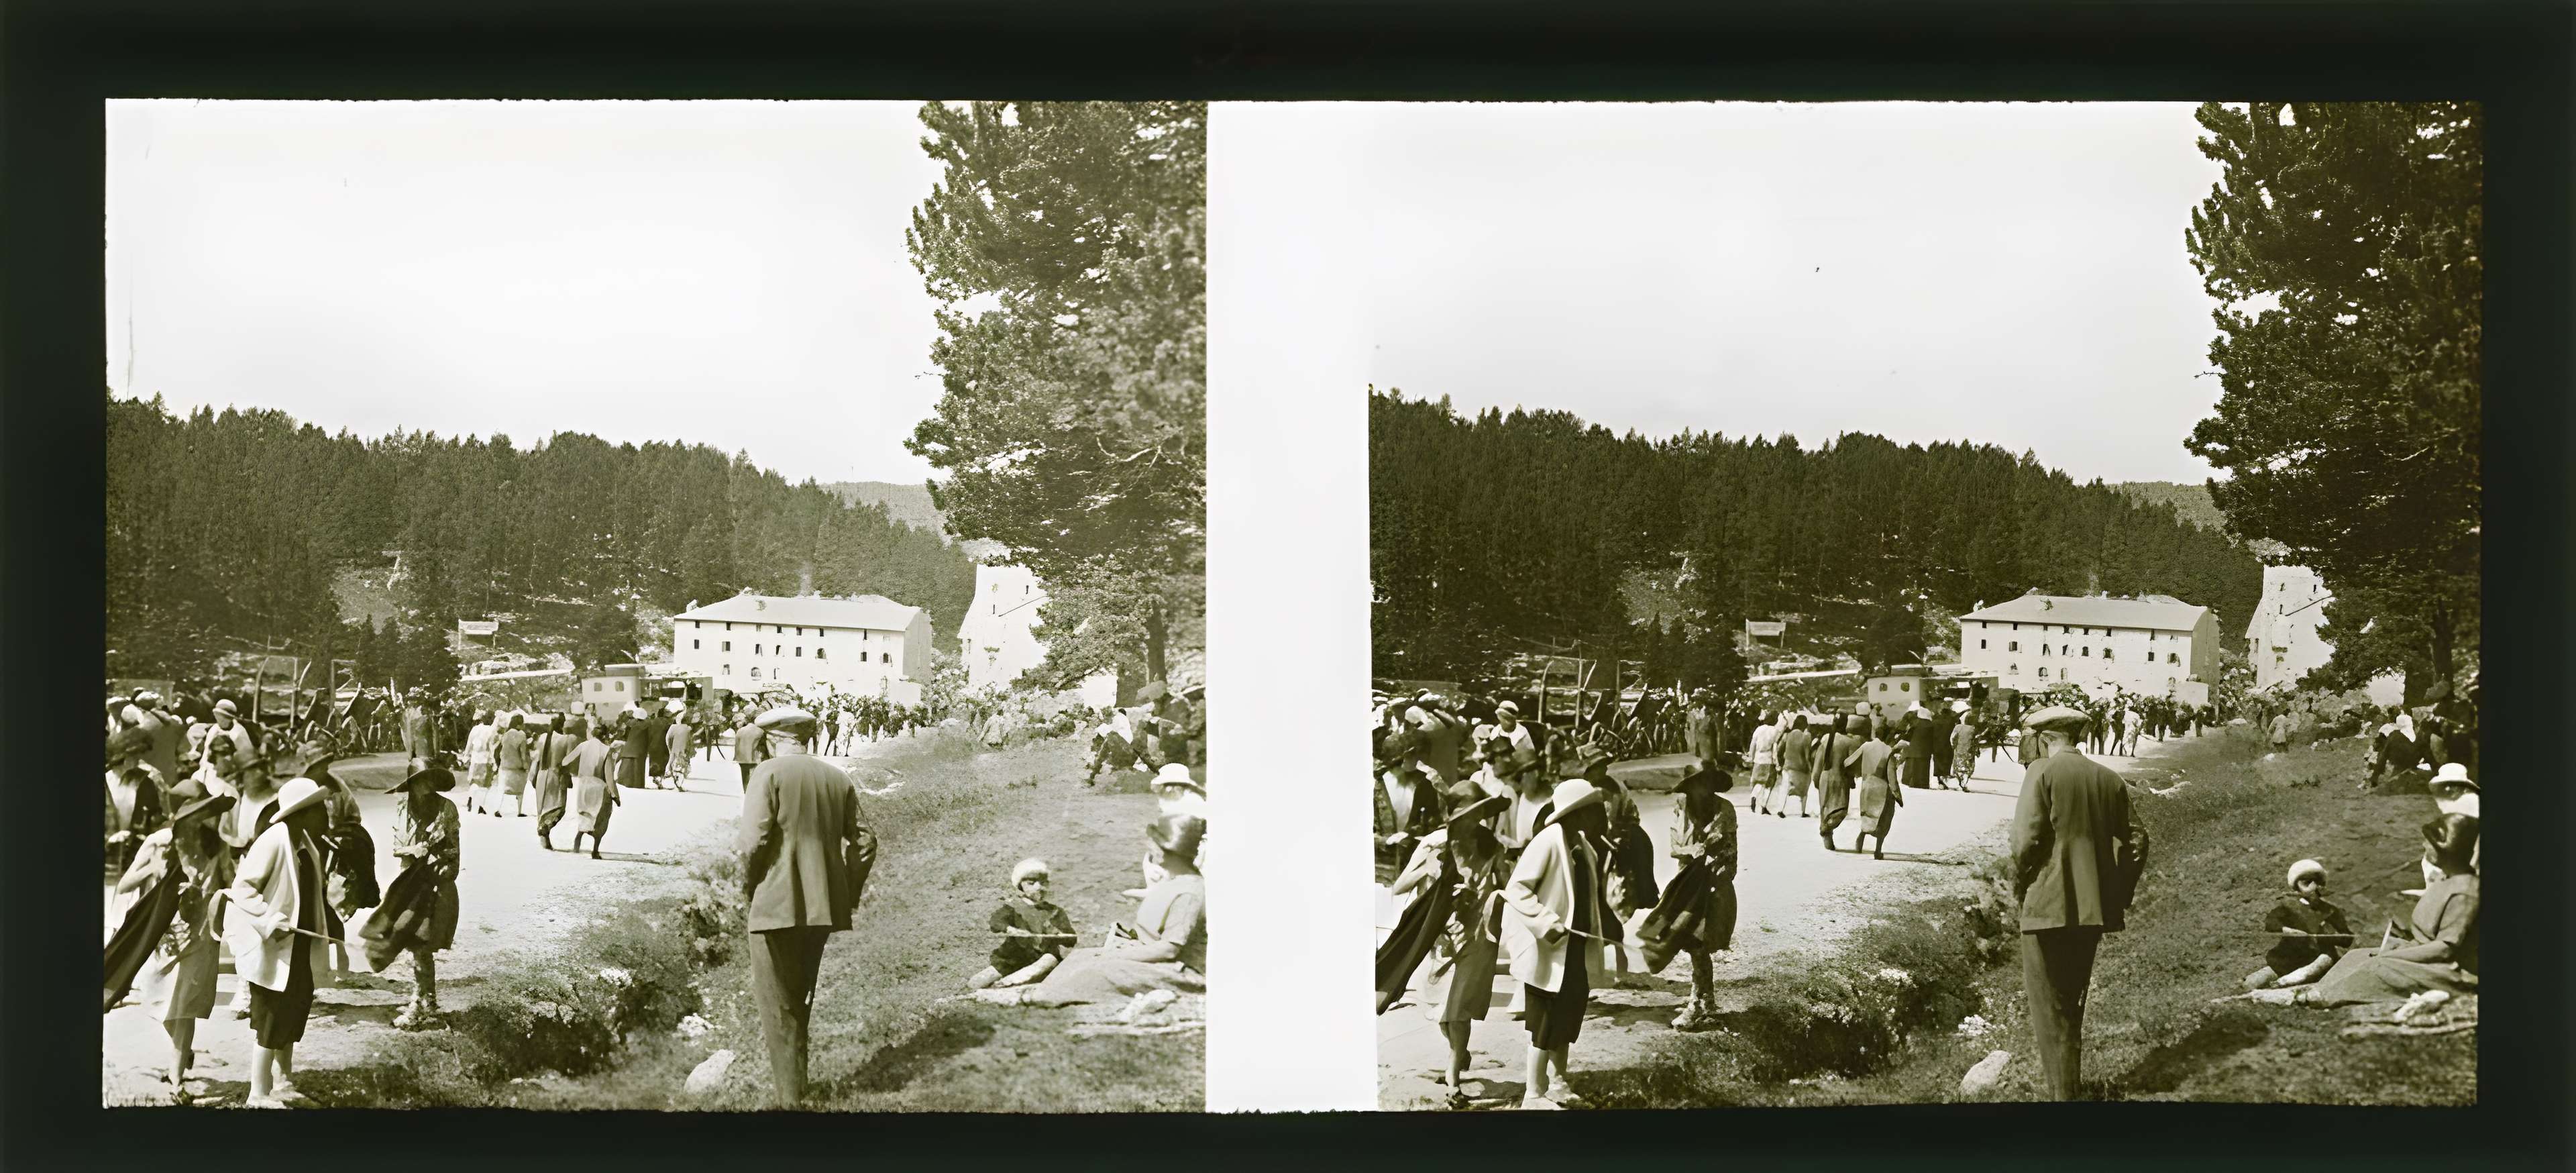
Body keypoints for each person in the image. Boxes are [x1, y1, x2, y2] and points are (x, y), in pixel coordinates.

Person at [2010, 705, 2150, 1101]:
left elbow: (2026, 841)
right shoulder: (2108, 778)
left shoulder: (2040, 772)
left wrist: (2019, 887)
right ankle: (2069, 1091)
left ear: (2044, 738)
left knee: (2048, 1007)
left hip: (2045, 904)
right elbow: (2139, 842)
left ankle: (2062, 1098)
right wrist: (2116, 892)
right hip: (2093, 909)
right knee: (2072, 1002)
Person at [737, 707, 875, 1107]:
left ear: (772, 738)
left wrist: (748, 890)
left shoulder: (767, 774)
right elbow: (865, 843)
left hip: (774, 904)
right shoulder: (838, 776)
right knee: (800, 998)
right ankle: (799, 1088)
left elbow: (753, 843)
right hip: (823, 907)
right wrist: (846, 893)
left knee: (777, 1005)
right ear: (806, 736)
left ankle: (789, 1102)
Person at [981, 813, 1206, 1009]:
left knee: (1099, 970)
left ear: (1170, 848)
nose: (1149, 849)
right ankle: (1038, 993)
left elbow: (1168, 950)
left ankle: (1037, 998)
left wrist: (1117, 954)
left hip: (1177, 970)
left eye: (1154, 844)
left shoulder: (1189, 892)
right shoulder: (1173, 882)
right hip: (1149, 955)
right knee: (1081, 957)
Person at [2257, 815, 2479, 1009]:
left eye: (2428, 842)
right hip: (2420, 952)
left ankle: (2314, 997)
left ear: (2445, 847)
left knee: (2379, 965)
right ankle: (2321, 988)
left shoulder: (2465, 891)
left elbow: (2444, 949)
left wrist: (2394, 954)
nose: (2423, 845)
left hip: (2447, 969)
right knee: (2357, 956)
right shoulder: (2443, 878)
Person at [110, 780, 235, 1102]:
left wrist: (213, 895)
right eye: (199, 811)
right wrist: (153, 869)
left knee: (185, 1007)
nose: (205, 818)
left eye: (207, 811)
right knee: (158, 1000)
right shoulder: (159, 843)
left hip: (201, 934)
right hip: (164, 934)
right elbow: (125, 885)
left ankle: (177, 1079)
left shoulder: (217, 846)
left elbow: (231, 885)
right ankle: (182, 1052)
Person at [1499, 778, 1620, 1110]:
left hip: (1575, 949)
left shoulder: (1582, 846)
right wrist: (1546, 923)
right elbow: (1517, 890)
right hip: (1549, 949)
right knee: (1545, 1020)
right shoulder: (1548, 842)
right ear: (1576, 814)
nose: (1598, 819)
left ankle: (1558, 1081)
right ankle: (1533, 1094)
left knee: (1568, 1014)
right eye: (1592, 811)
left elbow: (1589, 897)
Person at [1385, 795, 1510, 1108]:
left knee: (1459, 1011)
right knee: (1443, 1014)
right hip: (1441, 940)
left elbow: (1509, 885)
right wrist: (1426, 870)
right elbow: (1398, 886)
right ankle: (1461, 1053)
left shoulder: (1491, 846)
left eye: (1479, 813)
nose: (1475, 820)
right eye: (1469, 814)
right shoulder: (1433, 844)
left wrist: (1497, 897)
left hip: (1477, 938)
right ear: (1454, 818)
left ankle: (1453, 1080)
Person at [221, 776, 338, 1107]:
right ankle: (258, 1093)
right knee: (271, 1019)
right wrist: (271, 919)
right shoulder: (274, 840)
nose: (325, 816)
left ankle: (284, 1082)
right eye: (319, 810)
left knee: (295, 1011)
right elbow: (242, 889)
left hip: (296, 947)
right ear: (301, 813)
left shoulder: (306, 845)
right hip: (273, 947)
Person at [1656, 764, 1739, 1031]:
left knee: (1702, 944)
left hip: (1716, 884)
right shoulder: (1682, 810)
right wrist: (1692, 851)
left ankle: (1699, 1003)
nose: (1699, 792)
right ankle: (1704, 1002)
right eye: (1694, 787)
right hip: (1688, 886)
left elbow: (1729, 852)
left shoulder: (1724, 810)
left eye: (1704, 785)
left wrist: (1713, 863)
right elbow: (1675, 848)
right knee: (1693, 944)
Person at [384, 764, 461, 1029]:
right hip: (409, 884)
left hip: (436, 885)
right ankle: (426, 1000)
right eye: (419, 782)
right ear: (411, 785)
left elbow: (454, 852)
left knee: (422, 945)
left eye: (429, 781)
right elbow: (396, 848)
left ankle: (422, 1003)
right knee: (414, 945)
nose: (425, 787)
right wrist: (413, 849)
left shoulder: (447, 809)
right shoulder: (403, 809)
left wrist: (438, 863)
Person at [2243, 859, 2354, 990]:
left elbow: (2347, 938)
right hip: (2289, 958)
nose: (2313, 886)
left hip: (2318, 959)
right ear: (2297, 886)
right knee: (2253, 982)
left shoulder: (2330, 911)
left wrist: (2329, 936)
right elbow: (2272, 922)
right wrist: (2287, 930)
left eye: (2317, 882)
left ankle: (2282, 985)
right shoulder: (2289, 907)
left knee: (2306, 974)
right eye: (2306, 883)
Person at [969, 859, 1077, 990]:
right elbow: (996, 922)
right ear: (1021, 886)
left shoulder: (1055, 912)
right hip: (1012, 958)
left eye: (1043, 883)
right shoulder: (1013, 908)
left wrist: (1058, 934)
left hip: (1042, 959)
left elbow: (1071, 939)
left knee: (1047, 961)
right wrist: (1011, 930)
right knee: (975, 983)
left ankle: (1004, 986)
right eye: (1031, 884)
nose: (1038, 888)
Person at [1375, 731, 1446, 886]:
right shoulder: (1375, 786)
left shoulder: (1426, 784)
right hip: (1381, 872)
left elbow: (1439, 822)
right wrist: (1385, 841)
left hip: (1414, 867)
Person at [106, 727, 168, 886]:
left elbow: (158, 818)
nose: (138, 760)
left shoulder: (147, 781)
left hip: (135, 861)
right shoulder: (107, 780)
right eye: (133, 756)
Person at [566, 719, 620, 859]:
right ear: (605, 736)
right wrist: (615, 795)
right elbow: (609, 776)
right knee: (600, 818)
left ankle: (578, 838)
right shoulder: (607, 750)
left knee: (585, 814)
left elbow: (566, 760)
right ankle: (595, 850)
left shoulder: (583, 745)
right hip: (598, 787)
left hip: (583, 784)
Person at [1851, 723, 1904, 860]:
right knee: (1883, 819)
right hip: (1881, 788)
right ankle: (1878, 851)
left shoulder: (1866, 746)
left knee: (1867, 816)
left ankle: (1861, 838)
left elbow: (1849, 761)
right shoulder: (1888, 751)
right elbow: (1891, 775)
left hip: (1866, 785)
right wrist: (1898, 795)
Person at [1811, 716, 1855, 851]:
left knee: (1825, 811)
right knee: (1840, 810)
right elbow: (1851, 766)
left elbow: (1817, 763)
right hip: (1840, 779)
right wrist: (1852, 779)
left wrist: (1816, 779)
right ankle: (1827, 828)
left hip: (1824, 778)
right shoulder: (1849, 742)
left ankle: (1827, 838)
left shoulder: (1825, 740)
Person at [531, 715, 572, 849]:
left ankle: (545, 838)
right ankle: (544, 828)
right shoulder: (565, 740)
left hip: (542, 775)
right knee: (559, 807)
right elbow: (567, 762)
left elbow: (536, 759)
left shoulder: (543, 737)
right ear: (563, 725)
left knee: (542, 808)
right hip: (556, 776)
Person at [1770, 714, 1813, 819]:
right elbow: (1807, 756)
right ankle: (1803, 812)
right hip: (1801, 768)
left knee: (1785, 788)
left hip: (1788, 767)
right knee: (1804, 791)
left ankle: (1780, 810)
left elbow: (1779, 752)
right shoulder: (1806, 737)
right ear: (1805, 725)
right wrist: (1810, 768)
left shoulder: (1787, 736)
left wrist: (1780, 764)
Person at [460, 710, 499, 815]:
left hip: (475, 760)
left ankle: (471, 799)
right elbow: (491, 747)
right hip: (485, 760)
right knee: (485, 785)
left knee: (474, 782)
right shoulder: (490, 730)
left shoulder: (474, 730)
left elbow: (469, 745)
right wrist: (494, 762)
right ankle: (481, 806)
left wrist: (466, 757)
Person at [493, 713, 531, 817]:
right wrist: (525, 766)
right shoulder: (522, 735)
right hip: (516, 767)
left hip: (505, 766)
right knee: (520, 791)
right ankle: (519, 811)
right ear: (519, 724)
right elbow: (523, 753)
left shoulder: (506, 734)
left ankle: (498, 809)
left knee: (501, 789)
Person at [1746, 711, 1780, 815]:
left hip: (1758, 759)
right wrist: (1776, 762)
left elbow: (1753, 744)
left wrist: (1751, 757)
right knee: (1769, 784)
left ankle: (1754, 796)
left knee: (1758, 782)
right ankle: (1763, 806)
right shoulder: (1775, 731)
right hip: (1768, 760)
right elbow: (1775, 749)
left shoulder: (1759, 729)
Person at [613, 709, 650, 793]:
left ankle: (624, 782)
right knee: (638, 769)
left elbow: (624, 720)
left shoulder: (633, 723)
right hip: (640, 750)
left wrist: (626, 714)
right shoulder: (647, 724)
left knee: (626, 768)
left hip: (629, 749)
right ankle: (637, 784)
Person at [734, 711, 768, 789]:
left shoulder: (740, 731)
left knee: (745, 778)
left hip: (742, 759)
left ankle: (746, 793)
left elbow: (737, 746)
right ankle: (753, 795)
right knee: (754, 779)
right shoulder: (761, 731)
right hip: (754, 758)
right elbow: (764, 746)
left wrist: (736, 757)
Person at [1947, 707, 1979, 791]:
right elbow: (1975, 741)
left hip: (1959, 750)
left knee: (1958, 767)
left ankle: (1961, 781)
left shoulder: (1958, 727)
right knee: (1968, 768)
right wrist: (1976, 750)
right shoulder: (1973, 729)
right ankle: (1964, 783)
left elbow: (1952, 738)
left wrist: (1953, 746)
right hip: (1969, 752)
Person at [664, 705, 695, 790]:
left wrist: (670, 748)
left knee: (673, 763)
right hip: (683, 751)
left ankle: (672, 775)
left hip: (674, 750)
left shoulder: (673, 727)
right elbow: (689, 742)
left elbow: (668, 739)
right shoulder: (688, 729)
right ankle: (679, 783)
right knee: (682, 765)